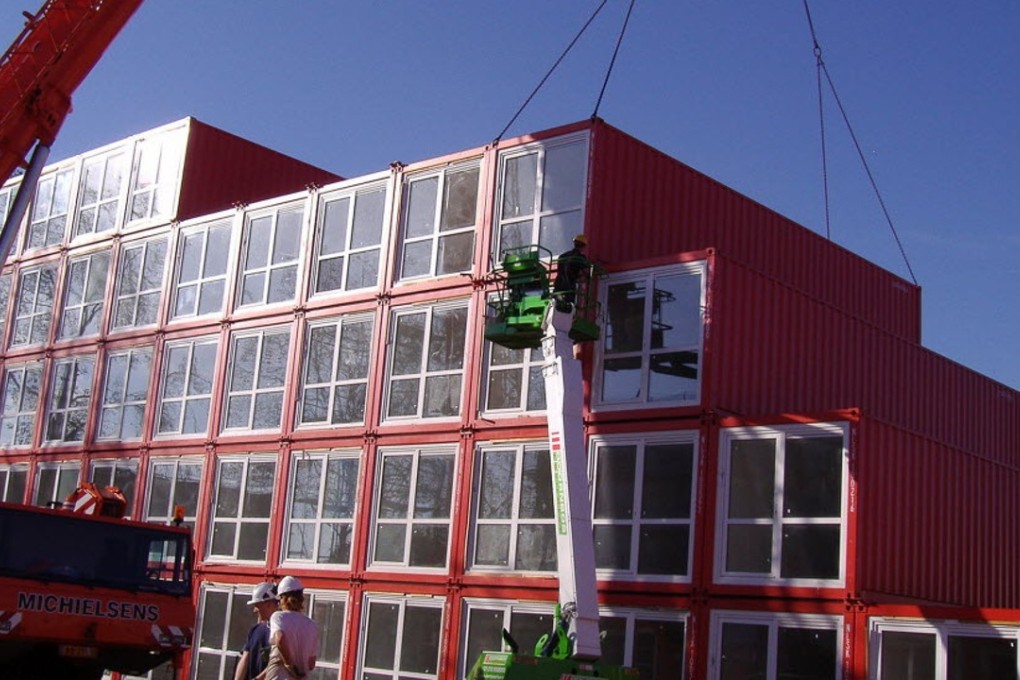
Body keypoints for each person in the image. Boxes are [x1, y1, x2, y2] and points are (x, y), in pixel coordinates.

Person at [258, 576, 319, 680]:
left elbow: (280, 638)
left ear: (283, 598)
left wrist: (289, 664)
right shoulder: (312, 625)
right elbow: (311, 664)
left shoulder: (279, 617)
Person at [234, 582, 278, 680]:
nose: (255, 610)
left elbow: (277, 664)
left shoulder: (283, 632)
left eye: (257, 606)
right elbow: (245, 659)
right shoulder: (255, 630)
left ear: (269, 604)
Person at [553, 234, 590, 312]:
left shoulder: (562, 256)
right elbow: (585, 271)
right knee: (569, 307)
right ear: (583, 246)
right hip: (569, 284)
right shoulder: (580, 258)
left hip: (559, 283)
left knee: (557, 303)